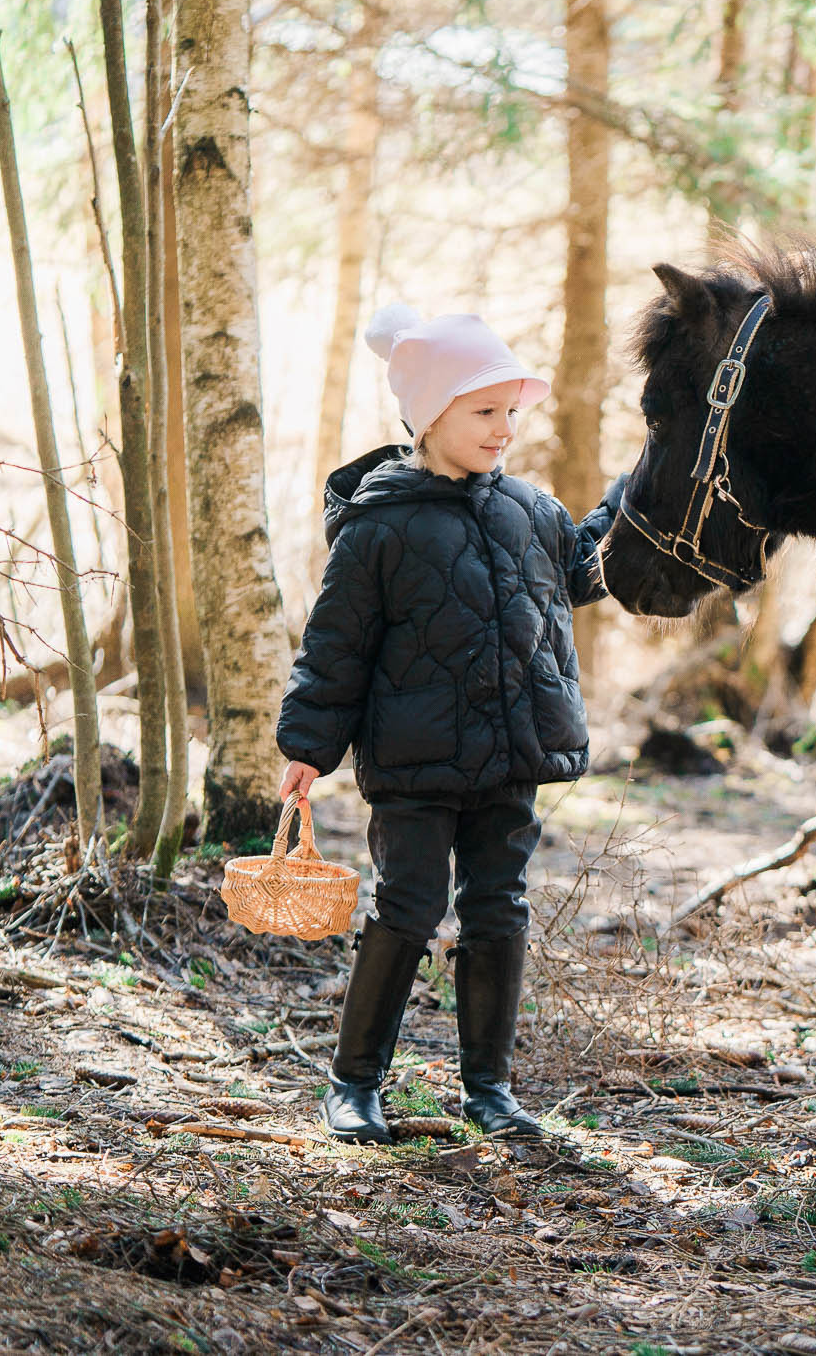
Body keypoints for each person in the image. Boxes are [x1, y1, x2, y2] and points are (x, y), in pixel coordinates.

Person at [276, 304, 618, 1143]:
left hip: (509, 757)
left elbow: (586, 571)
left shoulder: (532, 512)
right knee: (410, 905)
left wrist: (634, 503)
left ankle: (490, 1091)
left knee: (499, 908)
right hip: (417, 765)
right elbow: (337, 646)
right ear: (431, 416)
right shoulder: (380, 524)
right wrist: (307, 749)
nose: (505, 428)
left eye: (511, 411)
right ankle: (354, 1083)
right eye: (484, 411)